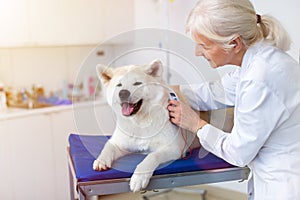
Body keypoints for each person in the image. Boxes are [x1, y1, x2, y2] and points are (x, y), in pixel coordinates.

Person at [167, 0, 300, 199]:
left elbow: (238, 153)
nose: (197, 52)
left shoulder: (260, 77)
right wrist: (167, 90)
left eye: (204, 45)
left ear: (234, 43)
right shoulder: (259, 60)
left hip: (284, 186)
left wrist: (195, 124)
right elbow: (215, 93)